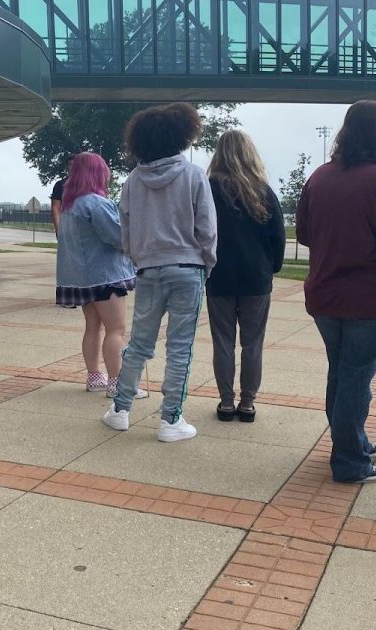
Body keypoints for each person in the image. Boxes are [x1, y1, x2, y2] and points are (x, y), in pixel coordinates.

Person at [296, 101, 376, 484]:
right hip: (366, 296)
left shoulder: (319, 177)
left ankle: (352, 441)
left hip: (325, 294)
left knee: (342, 374)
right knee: (355, 378)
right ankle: (348, 459)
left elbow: (304, 235)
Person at [103, 103, 217, 443]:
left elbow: (126, 228)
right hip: (187, 267)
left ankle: (120, 410)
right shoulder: (194, 175)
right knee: (180, 347)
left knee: (139, 343)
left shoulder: (133, 181)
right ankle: (171, 419)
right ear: (181, 137)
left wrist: (138, 255)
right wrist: (206, 264)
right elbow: (207, 228)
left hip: (148, 268)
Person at [206, 130, 285, 423]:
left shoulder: (208, 188)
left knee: (223, 341)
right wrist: (272, 267)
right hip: (256, 277)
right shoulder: (262, 190)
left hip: (219, 275)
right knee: (253, 343)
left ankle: (226, 402)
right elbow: (277, 236)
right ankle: (248, 402)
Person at [55, 151, 140, 397]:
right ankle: (118, 384)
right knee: (116, 330)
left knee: (93, 327)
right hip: (105, 276)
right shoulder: (97, 203)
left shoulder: (70, 206)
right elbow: (117, 237)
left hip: (81, 278)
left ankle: (95, 376)